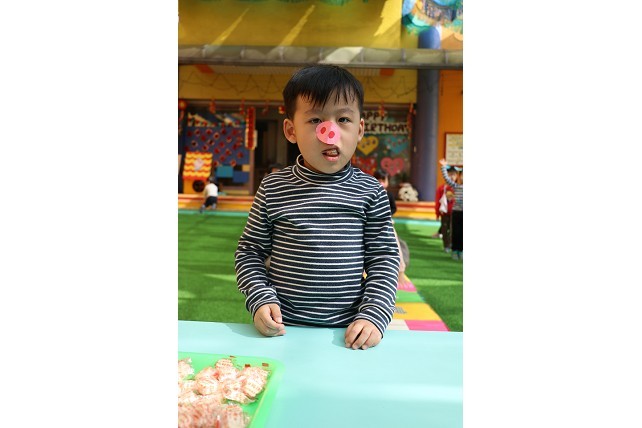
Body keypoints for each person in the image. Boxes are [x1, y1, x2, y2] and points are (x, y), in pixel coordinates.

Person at [235, 65, 400, 351]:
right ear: (291, 130)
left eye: (344, 119)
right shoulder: (273, 188)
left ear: (360, 129)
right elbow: (250, 252)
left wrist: (374, 315)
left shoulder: (370, 192)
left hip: (349, 334)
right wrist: (260, 298)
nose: (329, 133)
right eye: (315, 120)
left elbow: (383, 258)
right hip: (282, 329)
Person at [373, 170, 408, 277]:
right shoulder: (371, 194)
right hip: (373, 223)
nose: (381, 183)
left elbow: (394, 208)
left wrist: (388, 214)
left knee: (395, 242)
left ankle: (400, 268)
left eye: (383, 180)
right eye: (378, 180)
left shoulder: (389, 195)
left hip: (387, 223)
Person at [439, 159, 463, 260]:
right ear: (460, 177)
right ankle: (454, 250)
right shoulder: (456, 186)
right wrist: (443, 167)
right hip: (456, 213)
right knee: (455, 232)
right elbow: (447, 179)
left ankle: (461, 251)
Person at [434, 167, 458, 253]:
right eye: (450, 175)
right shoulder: (441, 188)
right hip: (444, 213)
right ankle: (446, 245)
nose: (452, 177)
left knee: (453, 230)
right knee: (444, 230)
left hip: (455, 212)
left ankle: (451, 244)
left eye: (454, 175)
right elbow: (438, 201)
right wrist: (437, 213)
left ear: (457, 176)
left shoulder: (457, 188)